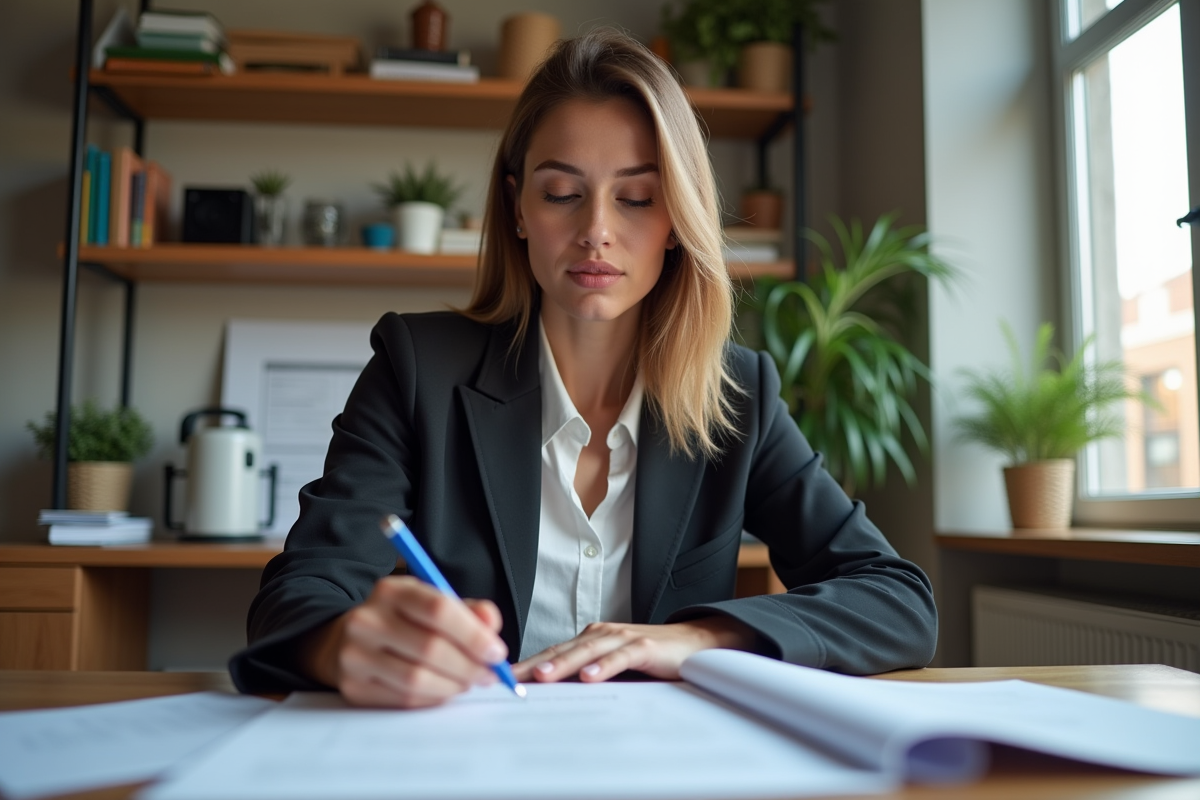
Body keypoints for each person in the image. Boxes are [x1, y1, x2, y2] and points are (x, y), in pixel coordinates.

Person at [229, 30, 937, 708]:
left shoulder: (739, 396)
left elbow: (897, 600)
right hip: (464, 755)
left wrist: (698, 639)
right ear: (517, 208)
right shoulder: (417, 369)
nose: (596, 229)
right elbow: (302, 592)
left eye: (637, 197)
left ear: (676, 220)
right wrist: (344, 644)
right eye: (562, 193)